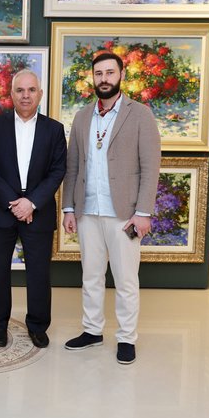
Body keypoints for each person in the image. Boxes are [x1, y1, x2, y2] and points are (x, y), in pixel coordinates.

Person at [62, 51, 161, 365]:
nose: (104, 79)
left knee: (125, 280)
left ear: (121, 76)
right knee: (91, 276)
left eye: (109, 73)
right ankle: (92, 331)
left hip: (125, 214)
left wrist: (143, 212)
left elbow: (151, 167)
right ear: (92, 78)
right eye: (99, 73)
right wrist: (68, 208)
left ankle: (126, 338)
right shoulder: (82, 117)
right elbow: (72, 166)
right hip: (88, 211)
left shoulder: (140, 114)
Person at [0, 69, 66, 349]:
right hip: (2, 209)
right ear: (11, 94)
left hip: (38, 210)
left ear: (40, 94)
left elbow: (57, 171)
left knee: (39, 273)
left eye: (31, 90)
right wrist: (14, 202)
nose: (25, 95)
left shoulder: (54, 130)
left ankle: (38, 326)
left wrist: (32, 202)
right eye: (20, 90)